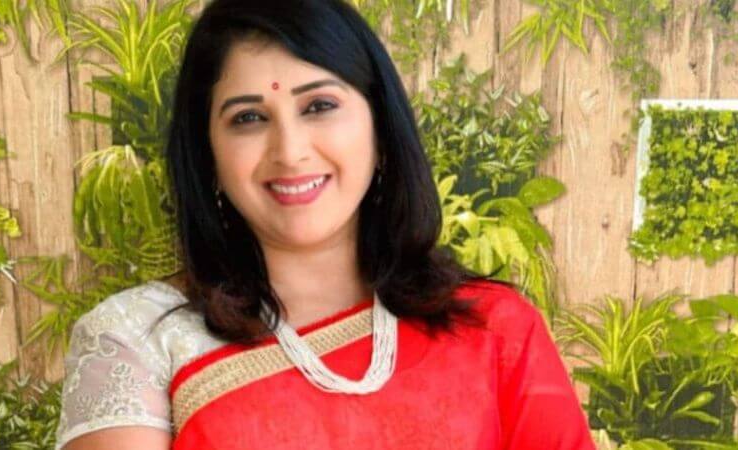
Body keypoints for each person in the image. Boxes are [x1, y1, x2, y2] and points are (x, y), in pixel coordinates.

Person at [55, 0, 597, 449]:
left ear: (380, 128)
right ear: (208, 155)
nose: (290, 151)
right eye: (248, 118)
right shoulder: (138, 338)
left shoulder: (494, 328)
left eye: (318, 106)